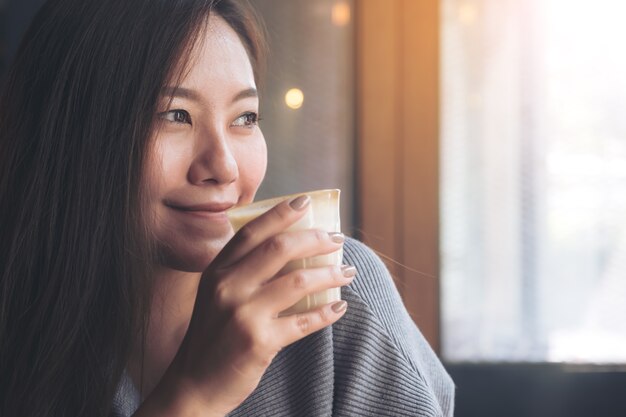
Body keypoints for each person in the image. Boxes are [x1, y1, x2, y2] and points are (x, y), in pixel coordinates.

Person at [0, 0, 454, 415]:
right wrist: (195, 395)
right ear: (70, 132)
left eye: (244, 118)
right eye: (175, 115)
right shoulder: (20, 322)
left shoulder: (330, 288)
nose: (224, 166)